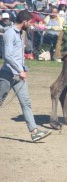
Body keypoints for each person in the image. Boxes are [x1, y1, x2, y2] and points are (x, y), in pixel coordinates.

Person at [0, 10, 52, 142]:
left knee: (26, 103)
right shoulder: (10, 33)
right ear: (24, 22)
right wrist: (19, 69)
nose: (30, 25)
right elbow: (7, 56)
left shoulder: (20, 33)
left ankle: (34, 131)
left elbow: (17, 56)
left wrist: (23, 68)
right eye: (29, 22)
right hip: (7, 74)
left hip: (19, 76)